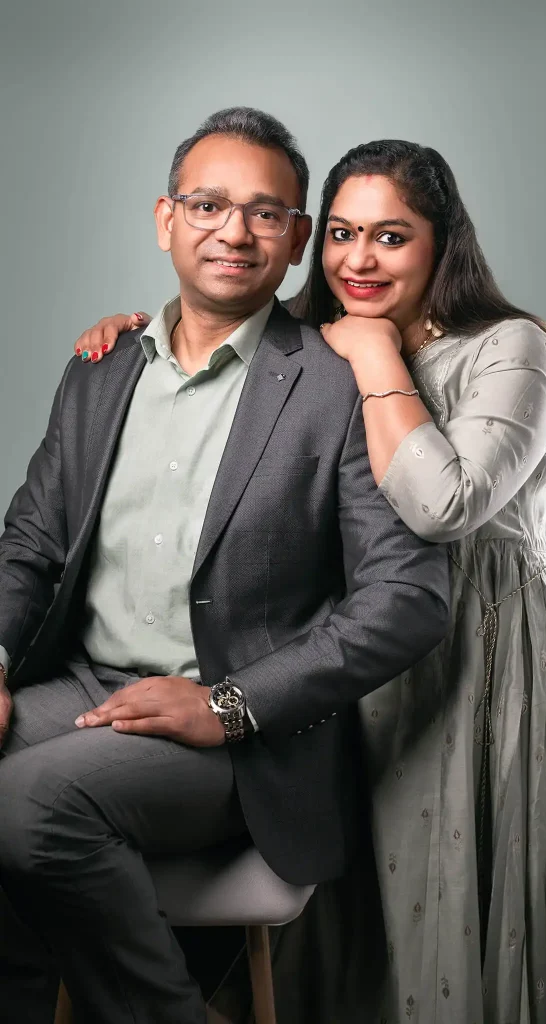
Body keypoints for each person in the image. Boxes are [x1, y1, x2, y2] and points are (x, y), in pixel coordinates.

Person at [80, 136, 546, 1023]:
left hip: (483, 659)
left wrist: (379, 357)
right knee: (357, 899)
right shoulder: (308, 348)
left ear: (442, 242)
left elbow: (441, 504)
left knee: (456, 881)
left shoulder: (515, 350)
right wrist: (135, 342)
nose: (359, 258)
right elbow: (206, 371)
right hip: (351, 654)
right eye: (343, 232)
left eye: (392, 236)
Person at [0, 109, 449, 1024]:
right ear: (166, 220)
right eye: (208, 205)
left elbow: (409, 599)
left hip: (242, 738)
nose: (233, 232)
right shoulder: (102, 366)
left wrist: (228, 705)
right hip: (85, 686)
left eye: (266, 213)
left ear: (296, 244)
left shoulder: (338, 380)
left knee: (29, 805)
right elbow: (32, 548)